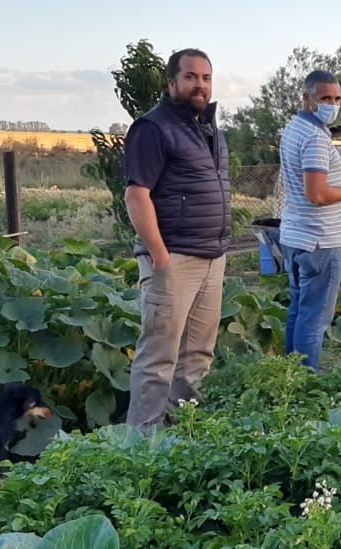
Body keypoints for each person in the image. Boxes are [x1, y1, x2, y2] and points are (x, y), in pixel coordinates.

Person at [122, 48, 231, 431]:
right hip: (174, 260)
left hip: (211, 258)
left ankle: (184, 436)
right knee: (158, 358)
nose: (199, 84)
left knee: (197, 356)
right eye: (191, 77)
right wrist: (160, 258)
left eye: (206, 77)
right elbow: (137, 196)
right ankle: (143, 446)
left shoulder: (209, 129)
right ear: (172, 83)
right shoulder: (153, 128)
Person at [278, 70, 341, 371]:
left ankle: (289, 374)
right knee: (315, 319)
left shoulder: (294, 129)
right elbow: (316, 193)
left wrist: (340, 185)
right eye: (326, 98)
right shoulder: (315, 138)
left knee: (299, 311)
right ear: (307, 98)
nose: (333, 104)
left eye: (337, 98)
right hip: (320, 241)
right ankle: (305, 383)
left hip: (295, 235)